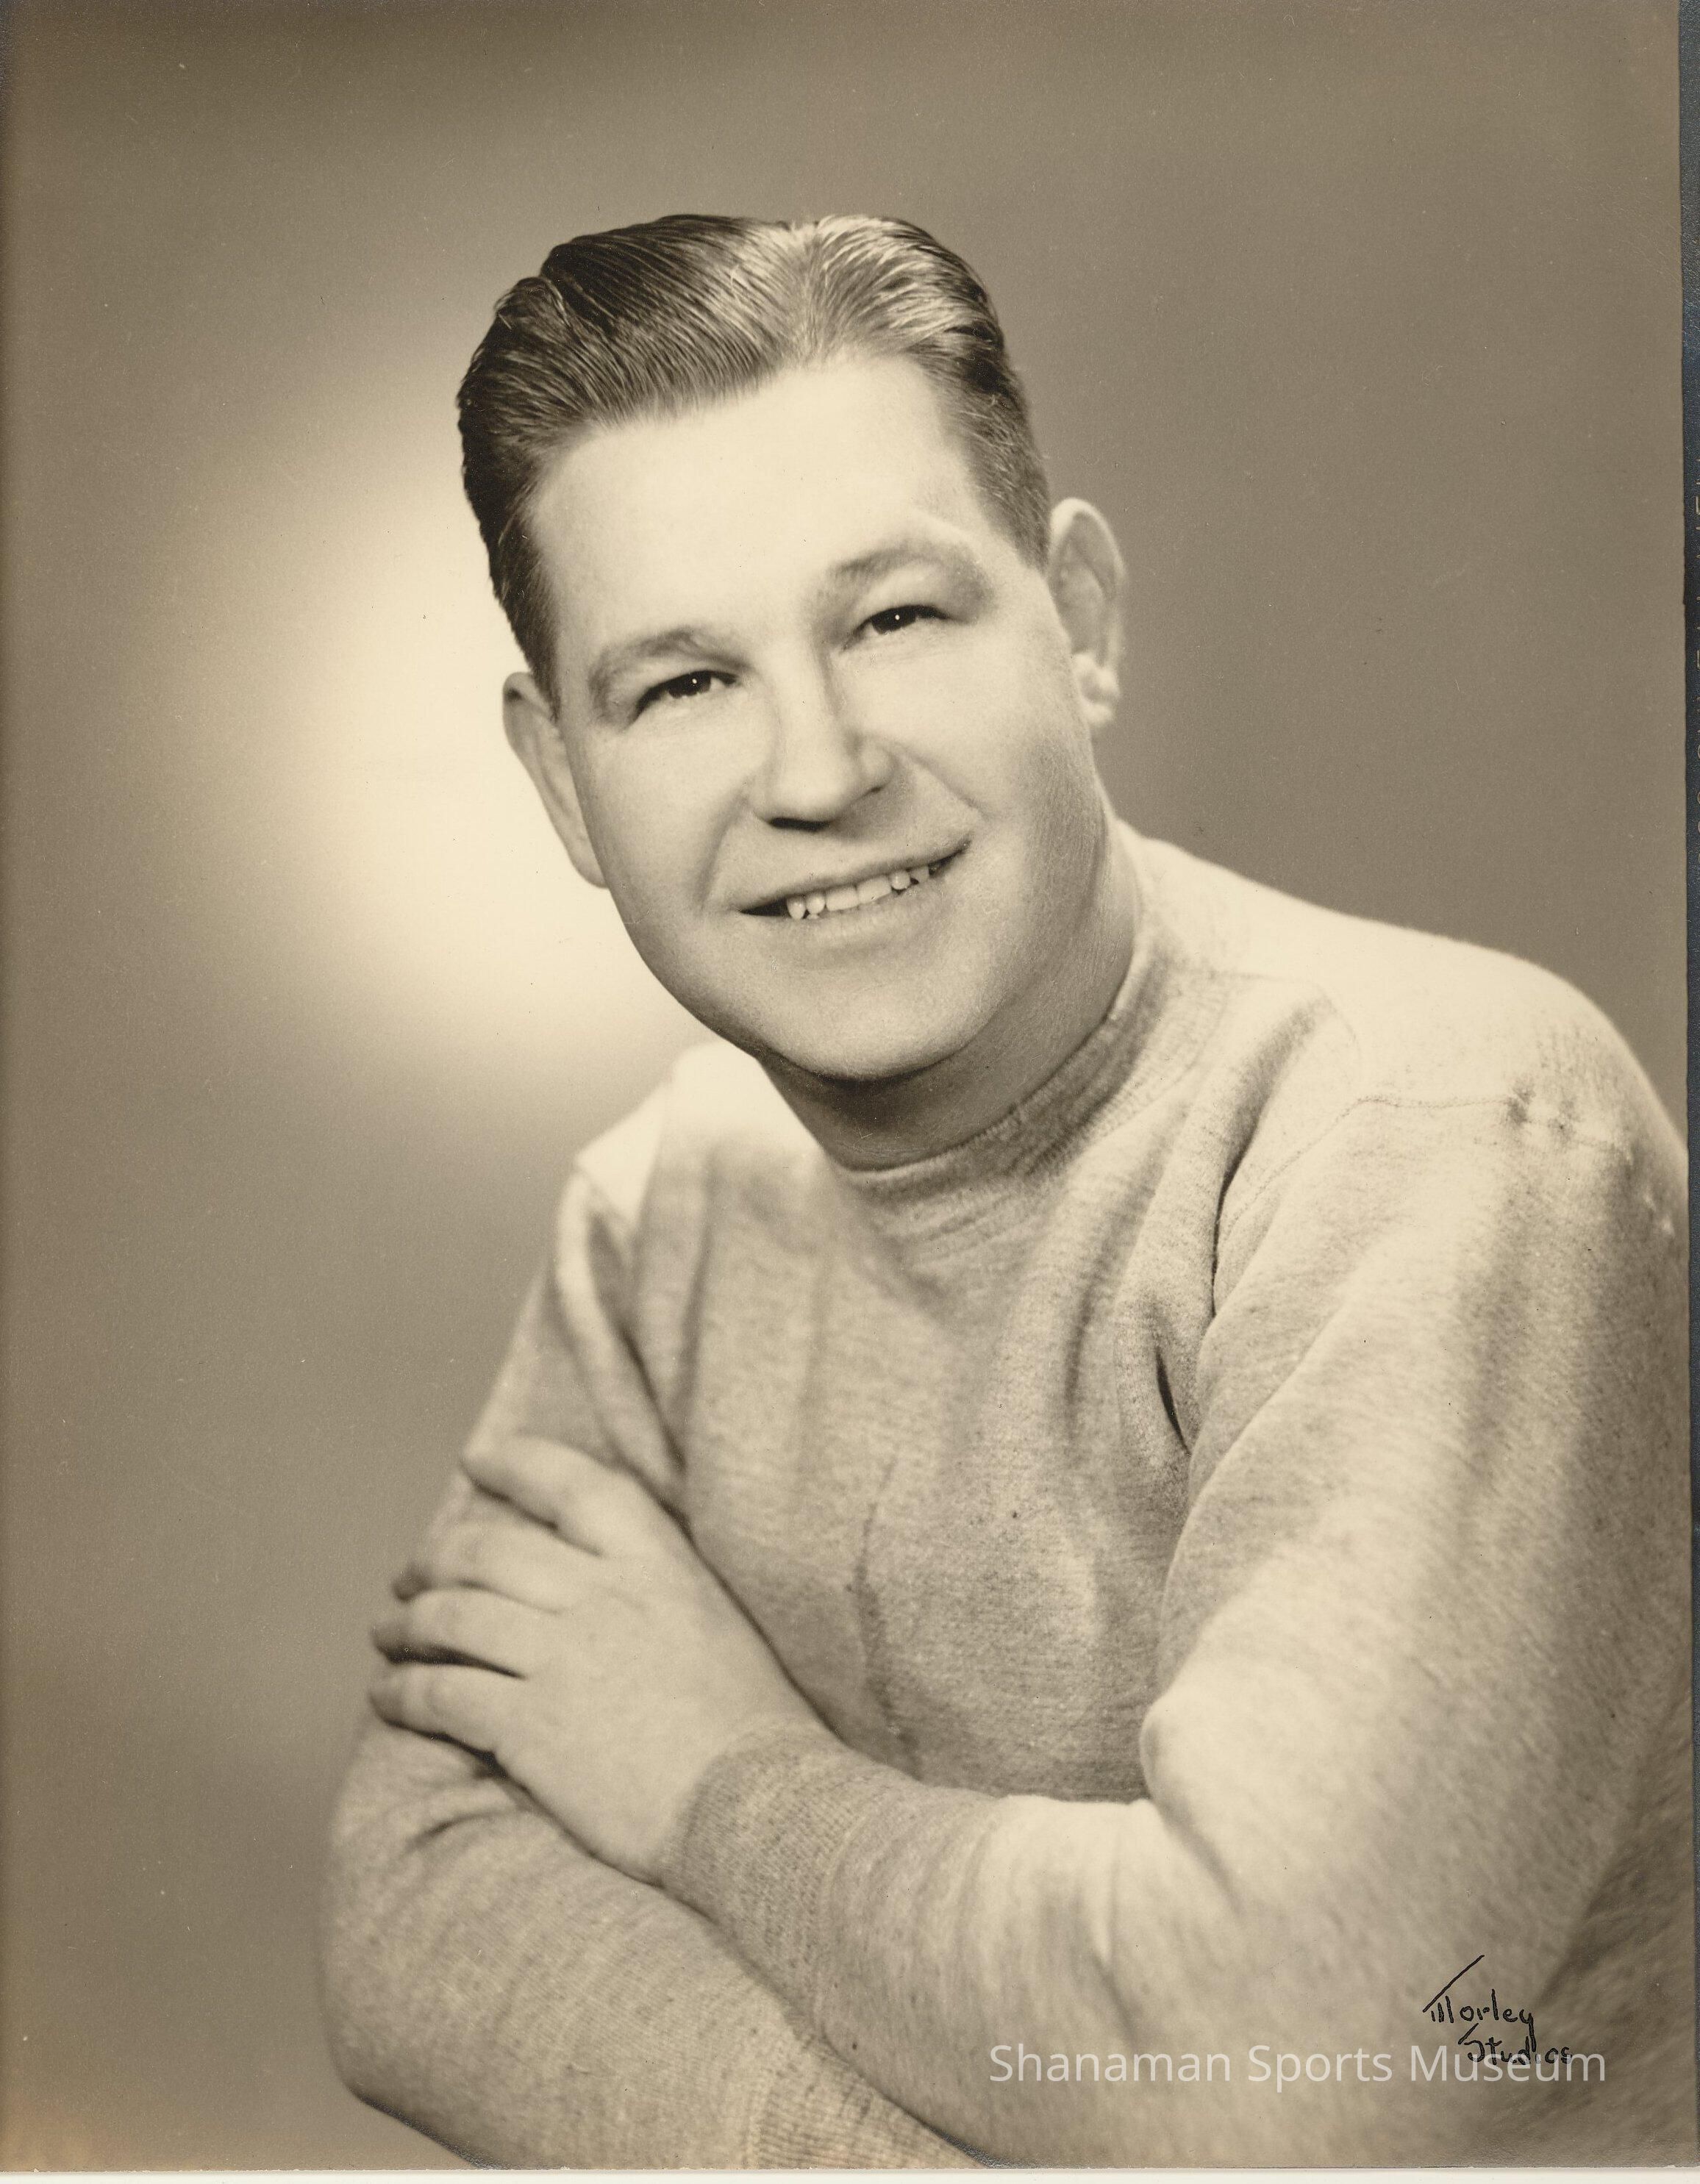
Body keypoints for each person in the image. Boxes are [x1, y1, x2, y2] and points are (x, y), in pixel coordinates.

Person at [319, 213, 1693, 2169]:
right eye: (685, 683)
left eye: (894, 619)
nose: (818, 770)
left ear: (1082, 619)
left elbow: (1283, 2057)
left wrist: (712, 1775)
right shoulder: (660, 1211)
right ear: (563, 786)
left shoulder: (1443, 1134)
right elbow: (420, 1925)